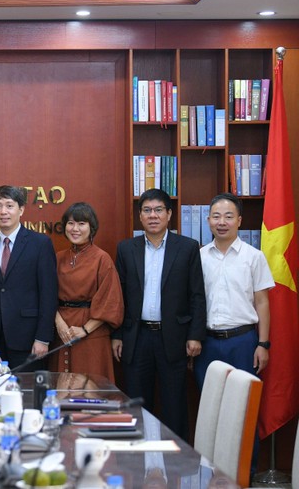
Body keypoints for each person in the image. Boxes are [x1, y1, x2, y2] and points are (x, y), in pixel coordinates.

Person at [112, 188, 206, 440]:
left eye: (158, 210)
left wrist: (195, 335)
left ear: (169, 214)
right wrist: (117, 334)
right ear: (140, 216)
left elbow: (197, 295)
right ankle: (137, 464)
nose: (152, 215)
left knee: (174, 405)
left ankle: (176, 467)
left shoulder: (187, 248)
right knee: (137, 404)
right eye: (147, 210)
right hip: (137, 337)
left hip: (173, 338)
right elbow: (118, 296)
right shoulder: (126, 249)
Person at [194, 193, 273, 388]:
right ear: (208, 220)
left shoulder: (254, 256)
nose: (222, 222)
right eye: (216, 216)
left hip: (243, 342)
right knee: (209, 404)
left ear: (239, 221)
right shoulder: (198, 257)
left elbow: (262, 302)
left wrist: (263, 344)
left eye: (228, 217)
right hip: (207, 342)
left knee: (243, 404)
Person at [0, 185, 58, 369]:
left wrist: (43, 338)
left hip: (28, 338)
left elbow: (49, 294)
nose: (3, 211)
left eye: (9, 205)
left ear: (21, 210)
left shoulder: (40, 243)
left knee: (27, 394)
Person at [50, 202, 123, 380]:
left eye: (81, 224)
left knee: (91, 392)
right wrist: (59, 324)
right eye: (71, 223)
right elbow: (46, 294)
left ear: (92, 228)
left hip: (92, 334)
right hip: (61, 331)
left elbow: (110, 300)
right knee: (59, 391)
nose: (75, 228)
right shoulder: (57, 257)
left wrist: (84, 329)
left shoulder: (102, 258)